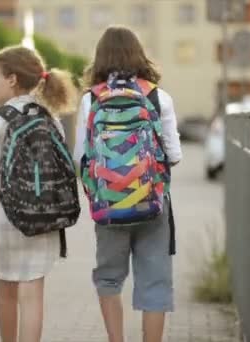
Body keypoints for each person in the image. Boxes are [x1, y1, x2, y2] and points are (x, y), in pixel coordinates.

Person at [73, 26, 183, 342]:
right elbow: (174, 155)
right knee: (155, 282)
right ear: (139, 54)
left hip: (108, 203)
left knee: (108, 279)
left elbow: (81, 158)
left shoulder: (89, 100)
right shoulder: (159, 97)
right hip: (153, 202)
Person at [0, 45, 78, 342]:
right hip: (45, 221)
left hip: (6, 220)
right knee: (33, 296)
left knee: (6, 293)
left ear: (12, 79)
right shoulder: (49, 118)